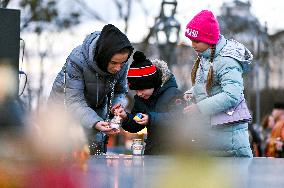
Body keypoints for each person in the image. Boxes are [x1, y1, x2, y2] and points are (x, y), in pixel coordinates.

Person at [48, 24, 133, 154]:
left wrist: (116, 107)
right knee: (68, 153)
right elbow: (75, 101)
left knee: (95, 149)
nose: (118, 68)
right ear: (103, 57)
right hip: (65, 108)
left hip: (95, 106)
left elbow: (120, 90)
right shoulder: (77, 59)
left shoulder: (121, 63)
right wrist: (95, 121)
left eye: (122, 63)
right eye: (114, 63)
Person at [183, 10, 253, 157]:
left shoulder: (226, 61)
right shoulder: (206, 57)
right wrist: (191, 93)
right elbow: (208, 86)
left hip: (230, 141)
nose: (192, 45)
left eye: (196, 41)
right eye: (191, 40)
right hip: (216, 134)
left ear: (209, 40)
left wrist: (200, 108)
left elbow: (231, 95)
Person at [114, 51, 183, 154]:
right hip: (152, 151)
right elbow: (136, 124)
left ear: (152, 83)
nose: (139, 94)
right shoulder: (140, 99)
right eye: (136, 91)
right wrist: (126, 117)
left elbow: (179, 118)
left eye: (141, 89)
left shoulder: (173, 94)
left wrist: (150, 118)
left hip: (174, 152)